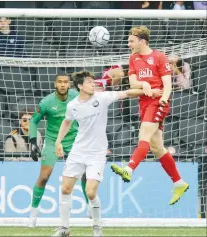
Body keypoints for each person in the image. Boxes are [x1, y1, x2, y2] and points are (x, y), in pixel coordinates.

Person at [53, 71, 162, 236]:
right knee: (66, 189)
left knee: (90, 192)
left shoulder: (101, 97)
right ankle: (64, 228)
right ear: (81, 86)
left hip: (97, 153)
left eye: (93, 81)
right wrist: (58, 141)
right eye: (89, 82)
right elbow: (67, 122)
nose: (93, 84)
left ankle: (97, 227)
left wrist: (149, 91)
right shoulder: (72, 105)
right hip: (78, 151)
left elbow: (127, 93)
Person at [110, 26, 189, 206]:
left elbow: (167, 83)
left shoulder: (160, 57)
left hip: (158, 102)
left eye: (131, 41)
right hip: (143, 102)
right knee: (156, 147)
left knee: (143, 135)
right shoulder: (133, 58)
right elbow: (132, 81)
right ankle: (179, 183)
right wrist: (144, 83)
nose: (128, 44)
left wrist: (163, 98)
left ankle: (129, 169)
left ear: (142, 41)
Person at [28, 74, 91, 227]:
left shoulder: (77, 97)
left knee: (84, 175)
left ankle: (91, 210)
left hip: (74, 141)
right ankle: (33, 215)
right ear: (55, 84)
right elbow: (33, 121)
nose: (63, 85)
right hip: (52, 142)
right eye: (59, 82)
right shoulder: (47, 102)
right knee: (44, 177)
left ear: (69, 85)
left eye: (65, 82)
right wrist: (32, 142)